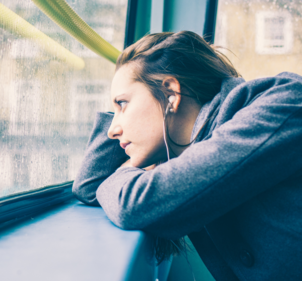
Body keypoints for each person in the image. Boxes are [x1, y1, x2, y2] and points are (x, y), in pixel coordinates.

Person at [72, 31, 302, 281]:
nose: (112, 130)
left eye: (123, 104)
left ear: (170, 94)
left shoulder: (284, 101)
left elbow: (135, 205)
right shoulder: (184, 151)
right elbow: (90, 185)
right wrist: (123, 105)